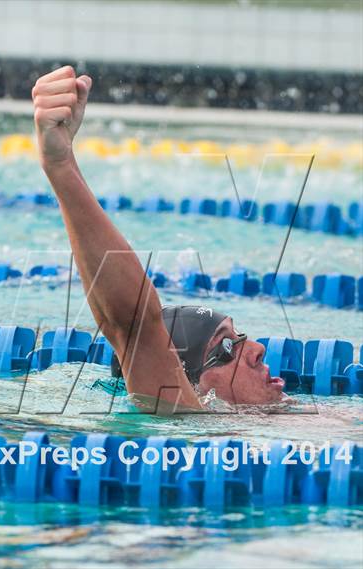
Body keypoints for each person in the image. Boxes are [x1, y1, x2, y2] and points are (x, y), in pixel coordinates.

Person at [32, 66, 286, 413]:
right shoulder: (190, 420)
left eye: (238, 338)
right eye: (225, 349)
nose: (256, 349)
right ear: (184, 384)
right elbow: (134, 324)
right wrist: (60, 165)